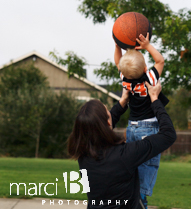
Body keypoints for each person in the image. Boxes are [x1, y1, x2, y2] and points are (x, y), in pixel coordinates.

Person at [67, 81, 176, 209]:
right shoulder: (125, 155)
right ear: (107, 123)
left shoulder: (83, 156)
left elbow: (101, 126)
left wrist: (123, 101)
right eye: (108, 112)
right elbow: (168, 135)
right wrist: (155, 100)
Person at [114, 33, 168, 207]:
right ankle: (141, 197)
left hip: (132, 127)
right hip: (148, 127)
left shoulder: (125, 81)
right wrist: (147, 46)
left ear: (124, 72)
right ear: (145, 68)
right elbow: (160, 61)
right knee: (148, 162)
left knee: (133, 162)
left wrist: (118, 45)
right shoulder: (149, 79)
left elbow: (117, 63)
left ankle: (132, 193)